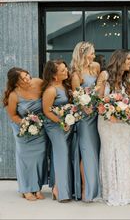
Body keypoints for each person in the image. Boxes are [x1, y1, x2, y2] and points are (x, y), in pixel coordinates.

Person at [96, 49, 130, 206]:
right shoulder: (104, 76)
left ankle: (125, 191)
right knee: (108, 152)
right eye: (127, 59)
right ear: (119, 60)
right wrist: (108, 113)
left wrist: (123, 113)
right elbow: (98, 99)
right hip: (106, 122)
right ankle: (110, 190)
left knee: (123, 152)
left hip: (124, 124)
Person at [2, 67, 47, 201]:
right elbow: (13, 115)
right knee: (25, 159)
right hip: (22, 129)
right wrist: (25, 124)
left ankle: (37, 188)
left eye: (27, 74)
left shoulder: (38, 82)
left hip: (40, 127)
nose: (27, 78)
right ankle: (26, 188)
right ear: (16, 83)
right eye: (23, 78)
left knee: (39, 157)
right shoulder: (14, 95)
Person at [70, 41, 101, 201]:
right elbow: (77, 96)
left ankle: (96, 187)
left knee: (96, 152)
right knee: (87, 152)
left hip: (98, 115)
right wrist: (85, 107)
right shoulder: (76, 74)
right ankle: (85, 188)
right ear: (83, 54)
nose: (94, 56)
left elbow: (101, 87)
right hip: (85, 118)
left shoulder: (95, 67)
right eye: (92, 53)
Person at [42, 59, 73, 202]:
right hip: (55, 126)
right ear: (54, 75)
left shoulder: (64, 86)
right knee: (62, 156)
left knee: (60, 155)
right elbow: (47, 112)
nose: (66, 71)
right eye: (62, 70)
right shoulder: (51, 90)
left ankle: (56, 186)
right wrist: (62, 122)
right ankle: (60, 192)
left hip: (65, 125)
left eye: (65, 68)